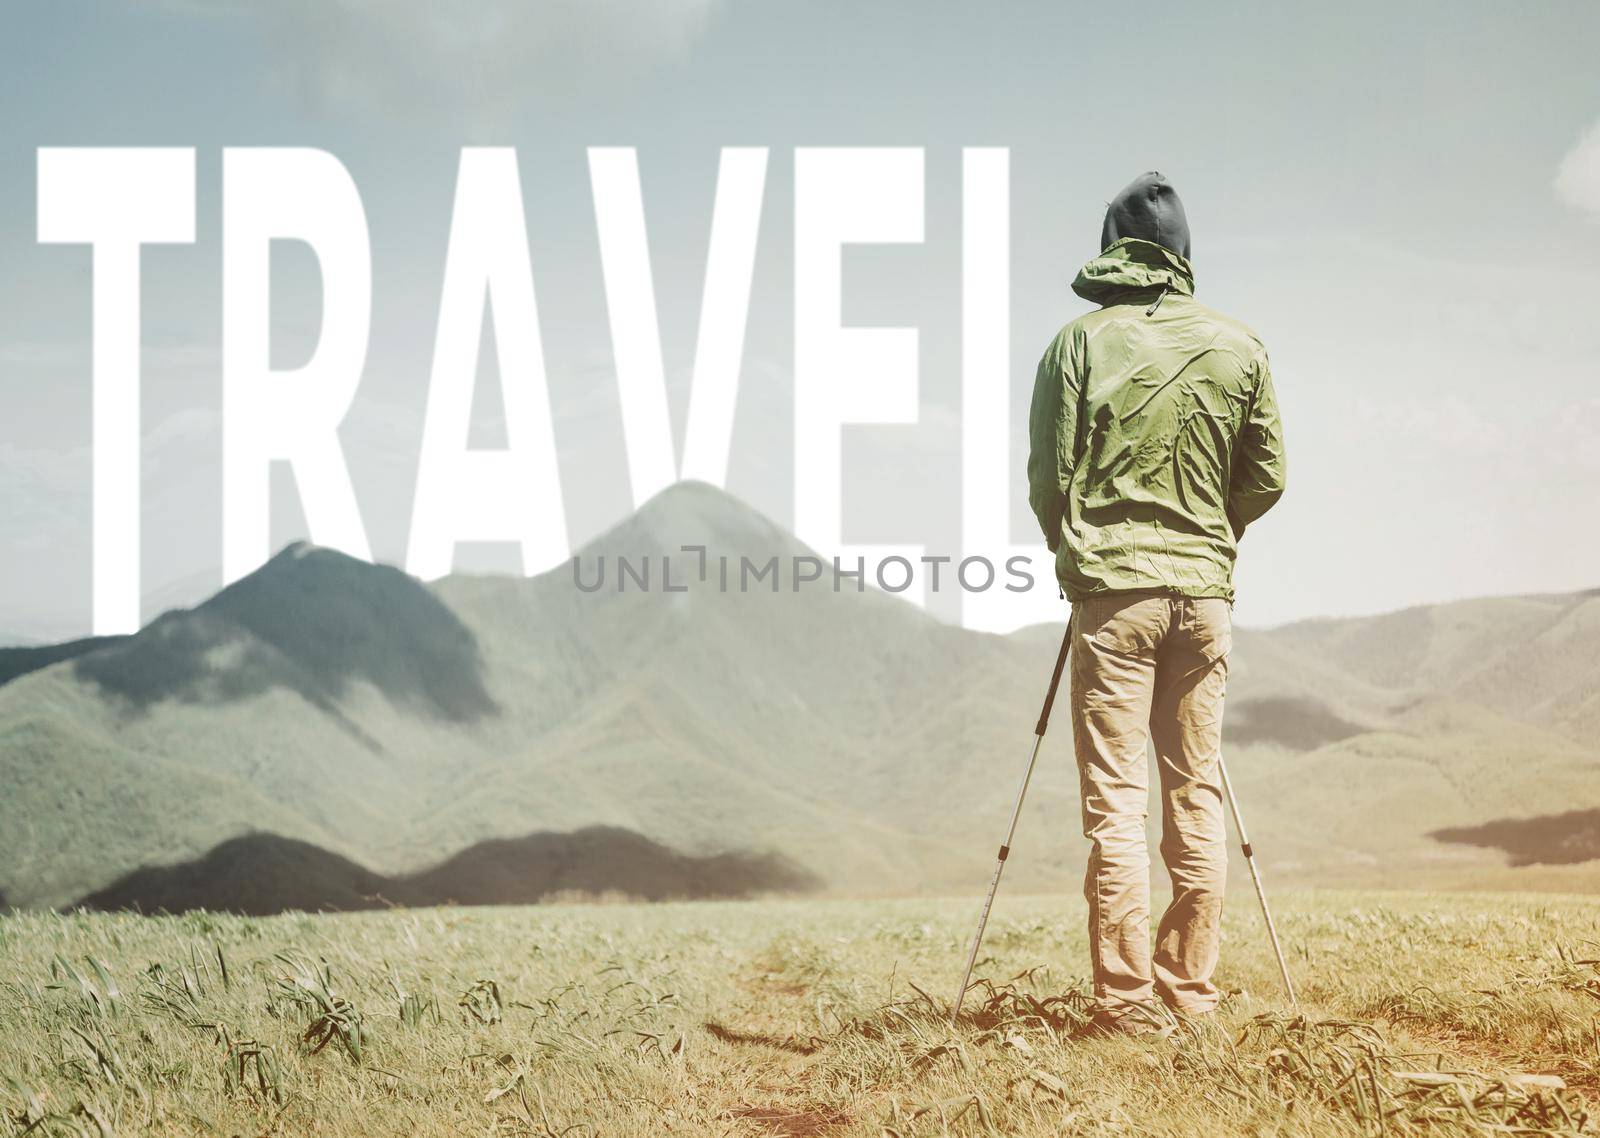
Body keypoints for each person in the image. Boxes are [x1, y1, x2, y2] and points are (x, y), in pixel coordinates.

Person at [1026, 171, 1286, 1035]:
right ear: (1183, 256)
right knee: (1195, 794)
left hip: (1113, 597)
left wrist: (1084, 555)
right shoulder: (1240, 345)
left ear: (1111, 250)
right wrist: (1209, 536)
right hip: (1203, 597)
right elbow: (1268, 477)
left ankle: (1129, 1007)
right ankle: (1191, 996)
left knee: (1116, 802)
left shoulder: (1078, 345)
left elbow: (1048, 482)